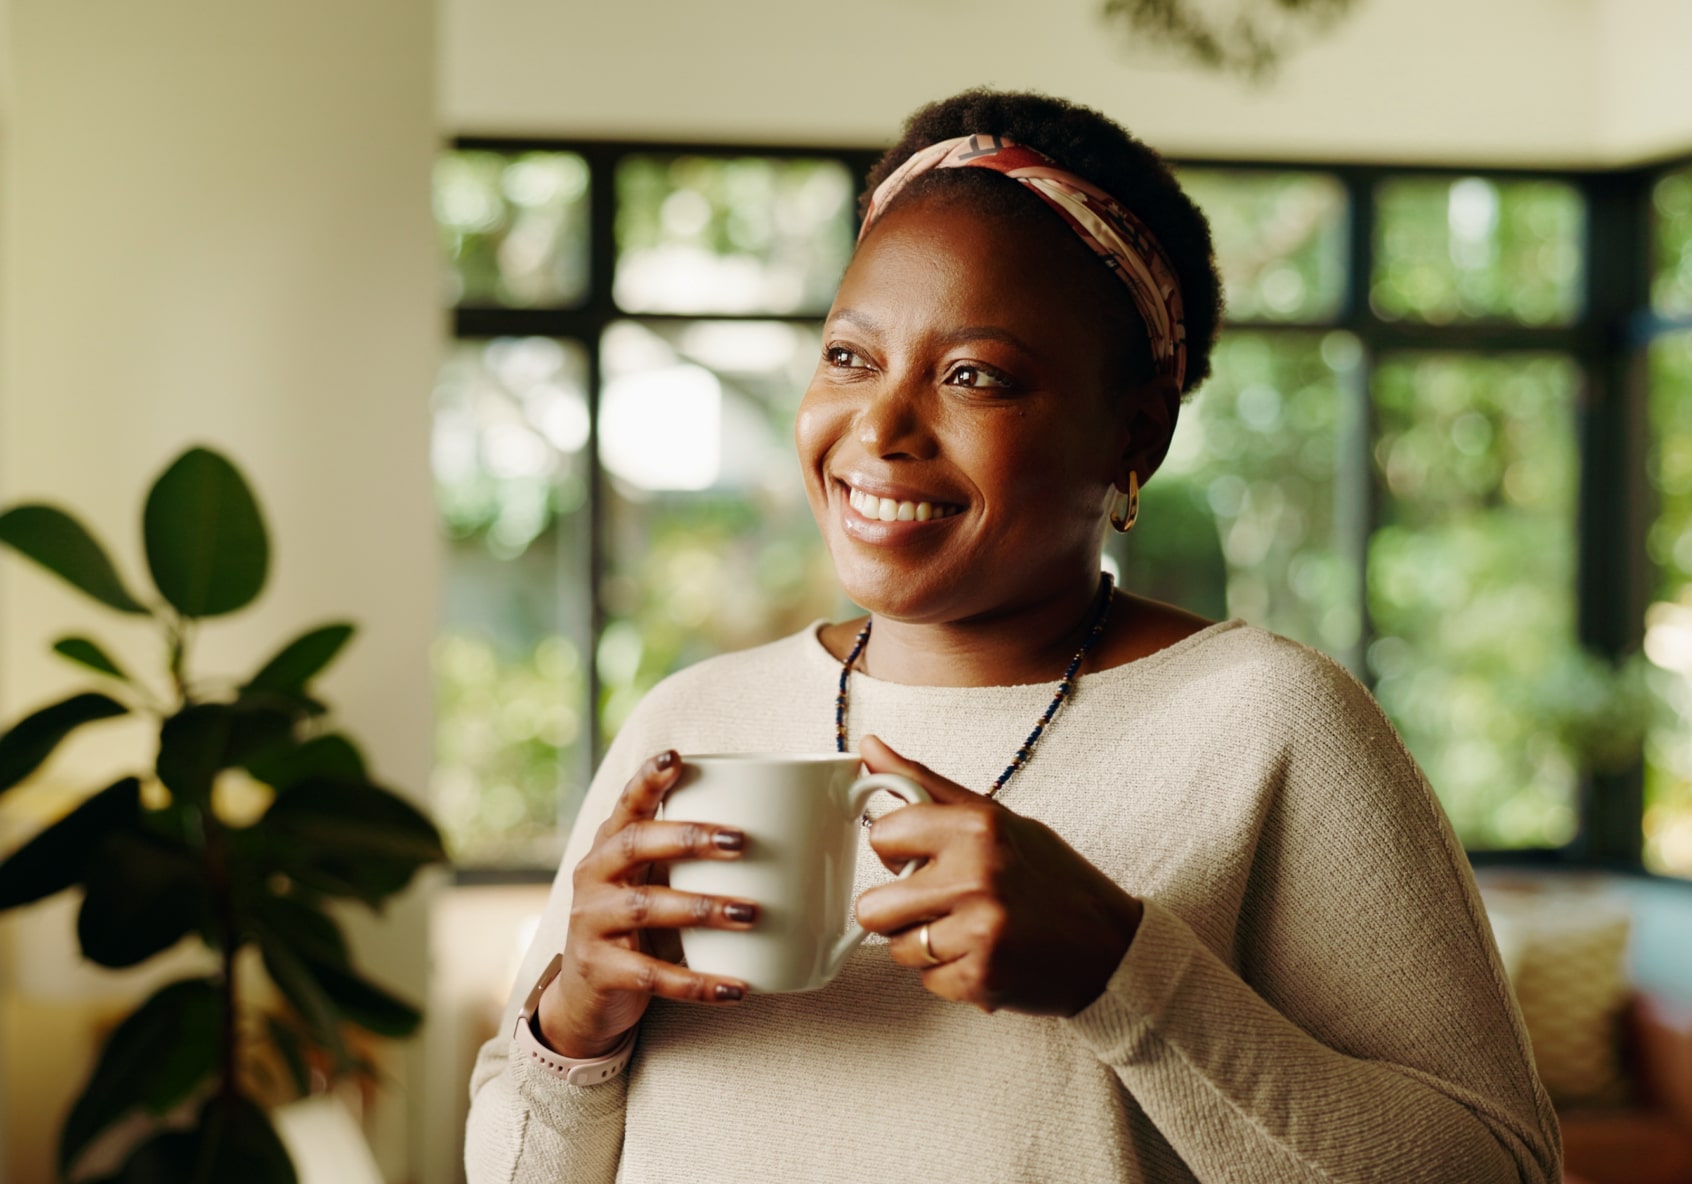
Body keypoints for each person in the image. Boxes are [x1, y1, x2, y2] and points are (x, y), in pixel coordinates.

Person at [466, 89, 1562, 1184]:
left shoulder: (1269, 725)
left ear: (1136, 434)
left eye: (972, 376)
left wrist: (1120, 970)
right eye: (851, 357)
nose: (881, 430)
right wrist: (575, 1023)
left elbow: (1500, 1169)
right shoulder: (693, 719)